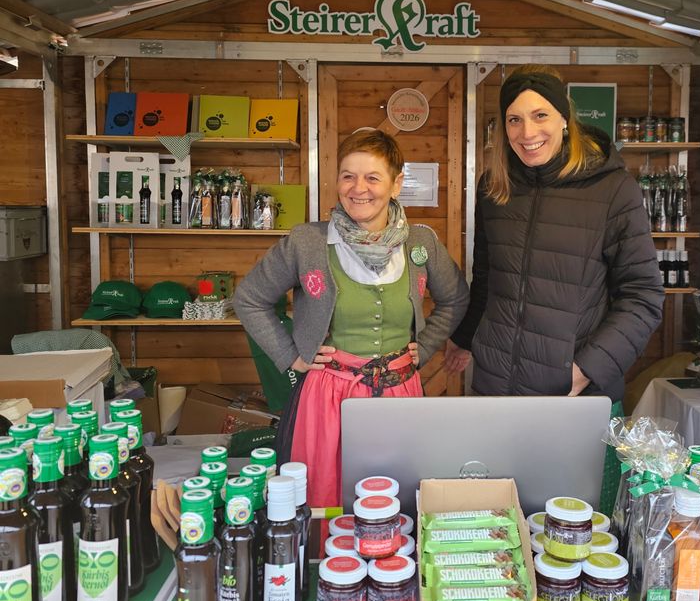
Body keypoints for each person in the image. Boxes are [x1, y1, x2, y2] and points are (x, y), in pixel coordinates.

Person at [445, 65, 664, 507]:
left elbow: (643, 296)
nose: (527, 131)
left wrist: (585, 369)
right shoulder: (495, 188)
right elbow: (489, 277)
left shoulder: (613, 188)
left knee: (573, 532)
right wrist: (465, 338)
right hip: (496, 391)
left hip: (573, 396)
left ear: (566, 119)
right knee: (498, 523)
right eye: (514, 119)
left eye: (540, 115)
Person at [234, 129, 469, 511]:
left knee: (397, 496)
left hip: (400, 392)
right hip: (328, 396)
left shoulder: (421, 243)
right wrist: (293, 355)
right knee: (327, 495)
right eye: (348, 175)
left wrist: (424, 348)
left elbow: (455, 298)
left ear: (396, 184)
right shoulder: (307, 242)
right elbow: (249, 299)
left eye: (372, 177)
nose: (358, 188)